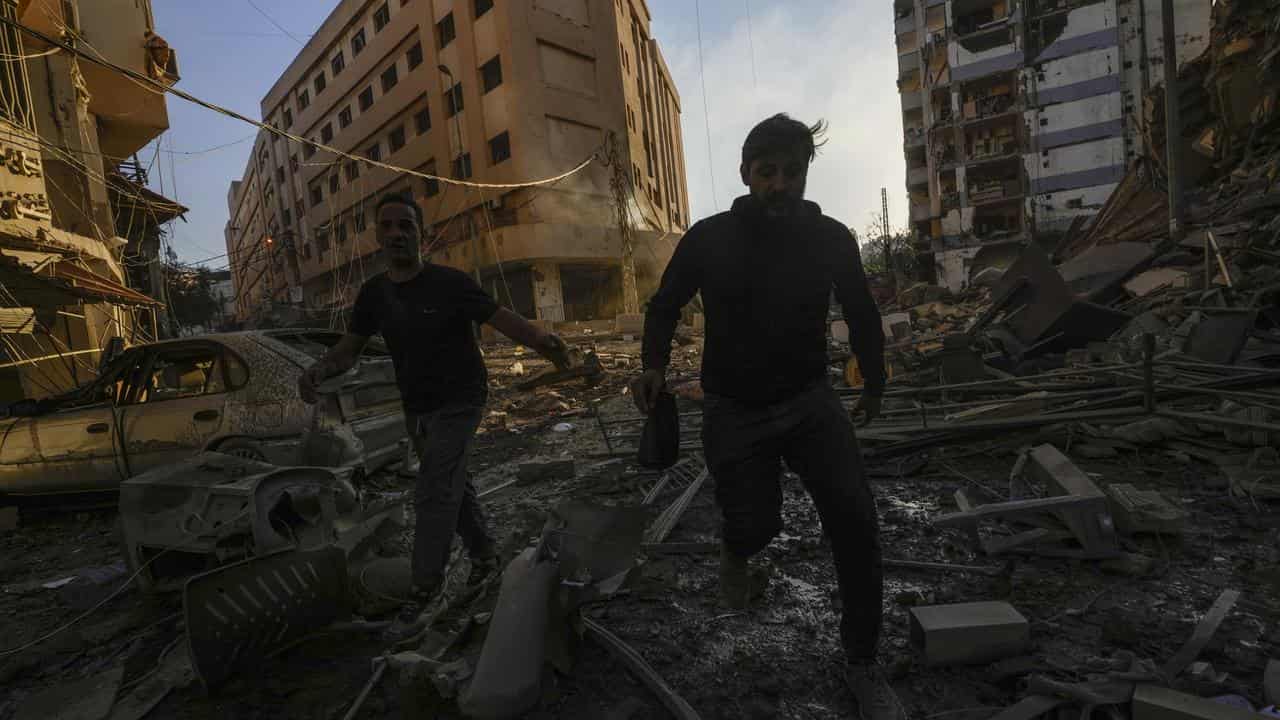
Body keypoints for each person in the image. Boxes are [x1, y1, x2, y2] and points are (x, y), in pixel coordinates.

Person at [630, 114, 899, 719]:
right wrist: (651, 364)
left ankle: (862, 661)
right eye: (767, 171)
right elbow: (664, 305)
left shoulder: (831, 237)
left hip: (810, 401)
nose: (780, 184)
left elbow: (860, 311)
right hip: (732, 408)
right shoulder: (708, 238)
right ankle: (738, 548)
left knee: (856, 525)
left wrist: (874, 381)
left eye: (793, 172)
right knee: (756, 528)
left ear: (806, 172)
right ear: (746, 173)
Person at [299, 191, 571, 599]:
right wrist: (319, 369)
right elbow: (349, 348)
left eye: (405, 225)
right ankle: (484, 558)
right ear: (377, 235)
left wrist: (544, 342)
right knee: (453, 487)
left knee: (433, 488)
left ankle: (424, 585)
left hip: (462, 398)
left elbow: (501, 318)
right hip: (418, 407)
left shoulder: (450, 283)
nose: (396, 233)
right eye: (387, 226)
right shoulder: (374, 294)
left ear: (420, 235)